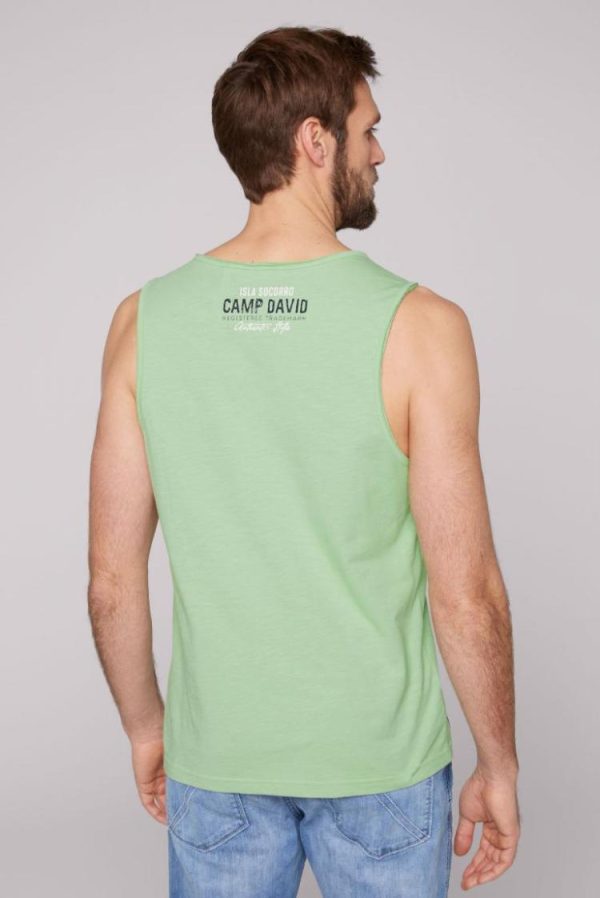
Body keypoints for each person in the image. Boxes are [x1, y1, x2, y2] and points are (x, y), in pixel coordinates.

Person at [87, 25, 520, 898]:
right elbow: (466, 593)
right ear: (314, 141)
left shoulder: (143, 322)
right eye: (367, 129)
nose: (379, 151)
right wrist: (498, 761)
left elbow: (111, 581)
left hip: (218, 762)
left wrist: (145, 728)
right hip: (382, 768)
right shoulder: (424, 329)